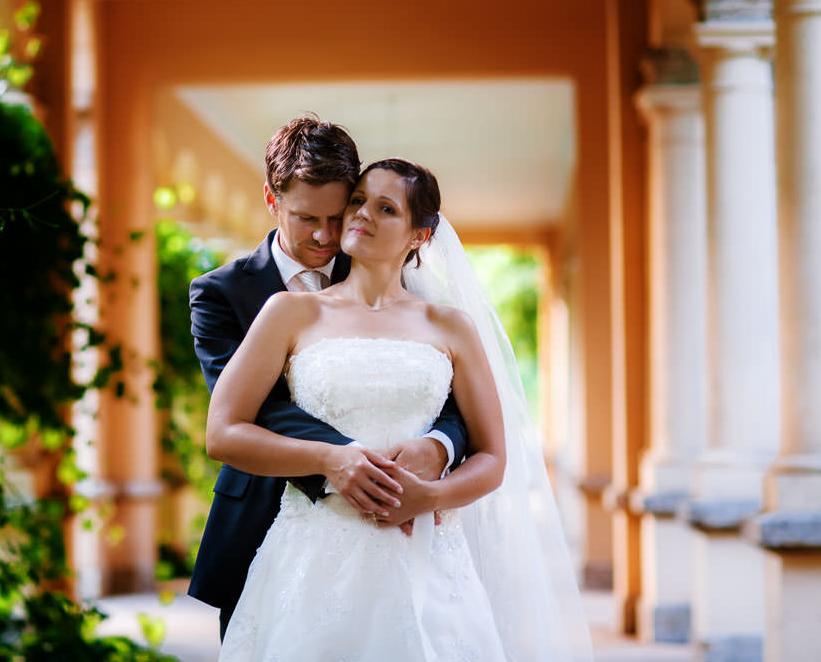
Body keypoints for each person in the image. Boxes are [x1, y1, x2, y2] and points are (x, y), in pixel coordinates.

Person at [207, 158, 594, 661]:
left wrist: (430, 496)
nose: (361, 214)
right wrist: (329, 459)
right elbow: (223, 433)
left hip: (426, 555)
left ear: (419, 235)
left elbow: (493, 457)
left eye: (385, 208)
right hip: (315, 556)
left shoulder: (450, 326)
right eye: (358, 201)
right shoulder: (290, 312)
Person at [186, 116, 470, 638]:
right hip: (266, 521)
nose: (324, 236)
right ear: (271, 199)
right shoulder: (220, 294)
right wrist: (352, 459)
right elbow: (259, 408)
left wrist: (439, 446)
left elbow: (441, 389)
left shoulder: (381, 266)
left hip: (398, 522)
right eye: (305, 218)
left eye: (337, 217)